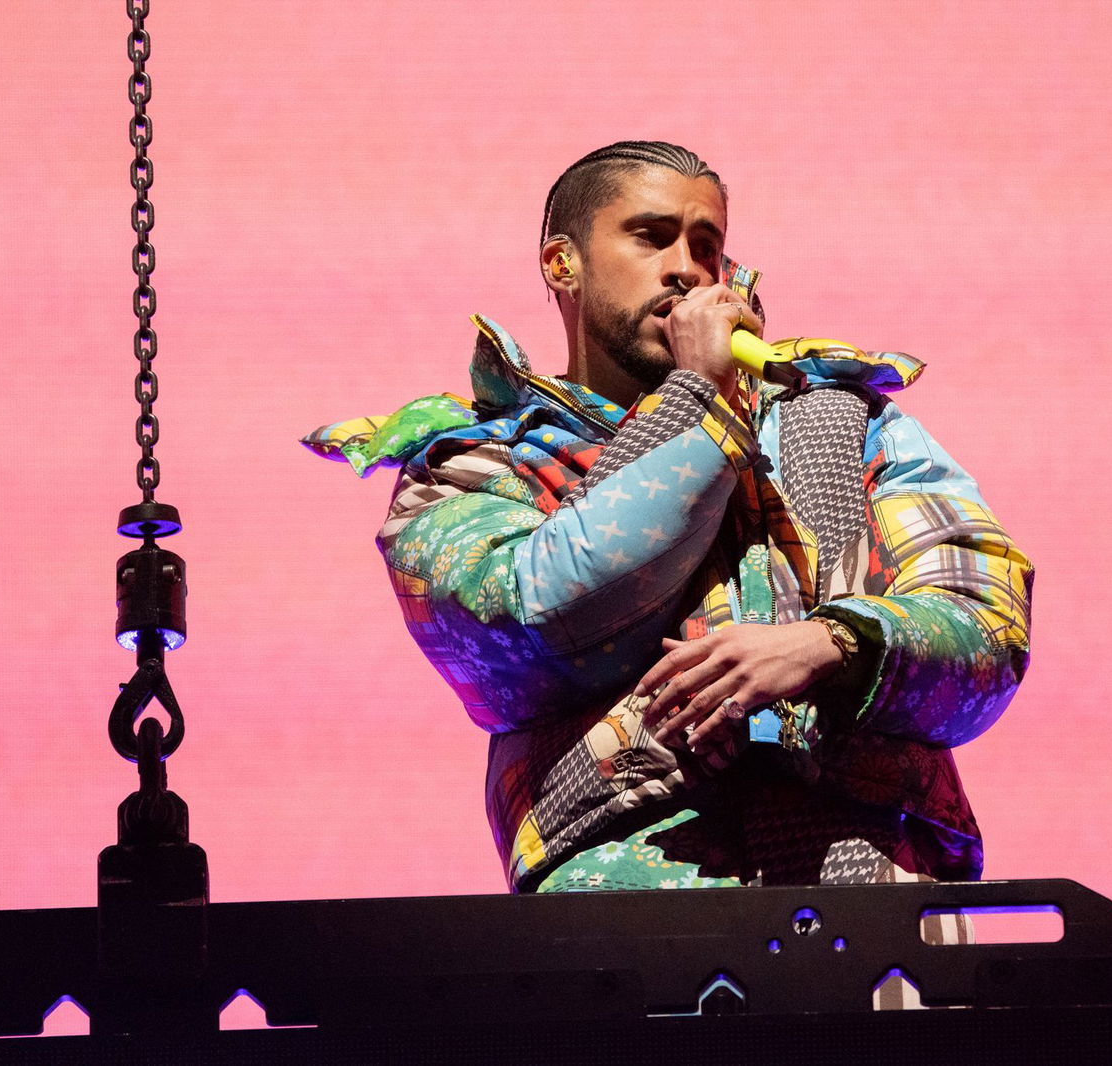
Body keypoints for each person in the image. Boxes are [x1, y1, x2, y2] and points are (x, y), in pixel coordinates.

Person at [304, 140, 1033, 895]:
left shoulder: (846, 423)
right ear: (562, 264)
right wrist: (698, 400)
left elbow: (989, 628)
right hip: (624, 912)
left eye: (707, 245)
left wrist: (832, 643)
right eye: (651, 237)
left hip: (877, 888)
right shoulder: (468, 462)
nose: (687, 268)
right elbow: (529, 625)